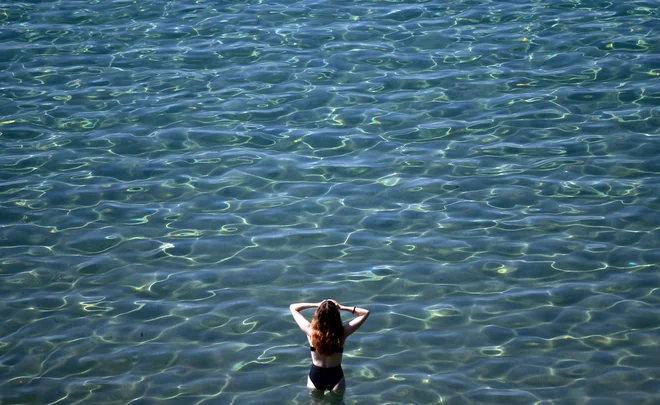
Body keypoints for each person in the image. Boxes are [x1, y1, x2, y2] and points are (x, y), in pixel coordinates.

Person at [289, 299, 370, 393]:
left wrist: (317, 304)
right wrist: (341, 307)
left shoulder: (310, 331)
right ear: (336, 316)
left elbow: (293, 307)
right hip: (336, 376)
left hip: (316, 375)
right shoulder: (342, 333)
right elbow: (365, 313)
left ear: (318, 315)